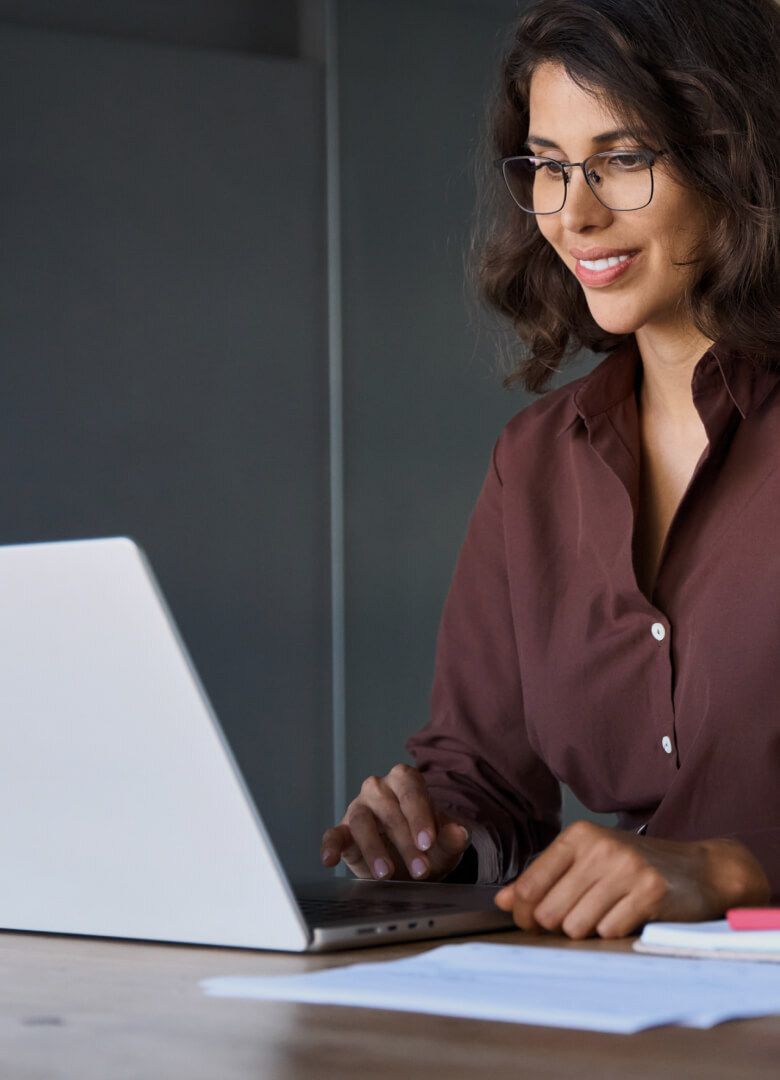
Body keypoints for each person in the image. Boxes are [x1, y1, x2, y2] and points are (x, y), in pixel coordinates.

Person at [320, 0, 780, 939]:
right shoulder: (533, 463)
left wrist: (739, 871)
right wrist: (438, 832)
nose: (574, 214)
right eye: (548, 167)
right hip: (613, 1006)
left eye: (623, 158)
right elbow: (483, 775)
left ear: (734, 158)